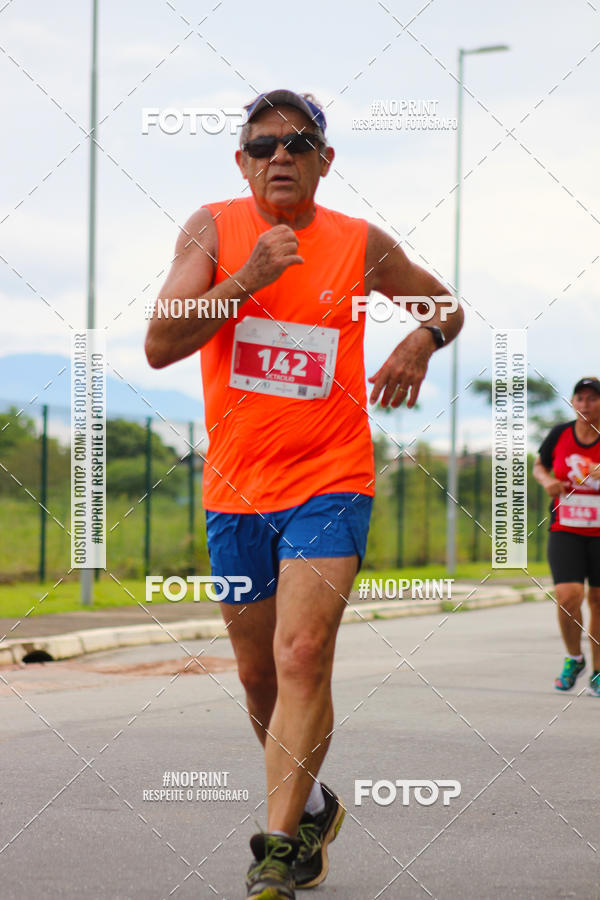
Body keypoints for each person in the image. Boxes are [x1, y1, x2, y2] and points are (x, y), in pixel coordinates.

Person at [145, 89, 464, 900]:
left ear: (325, 159)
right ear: (242, 162)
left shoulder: (359, 245)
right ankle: (316, 805)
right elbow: (159, 343)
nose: (278, 156)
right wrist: (245, 279)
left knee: (302, 655)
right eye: (261, 146)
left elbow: (447, 305)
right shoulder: (214, 229)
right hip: (236, 492)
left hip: (331, 480)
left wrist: (420, 339)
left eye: (296, 142)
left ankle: (276, 847)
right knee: (258, 679)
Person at [533, 377, 600, 696]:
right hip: (566, 527)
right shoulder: (560, 433)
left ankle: (599, 672)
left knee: (598, 601)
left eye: (593, 399)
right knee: (567, 595)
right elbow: (539, 466)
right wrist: (546, 480)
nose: (585, 405)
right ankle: (574, 657)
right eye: (580, 398)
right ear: (573, 402)